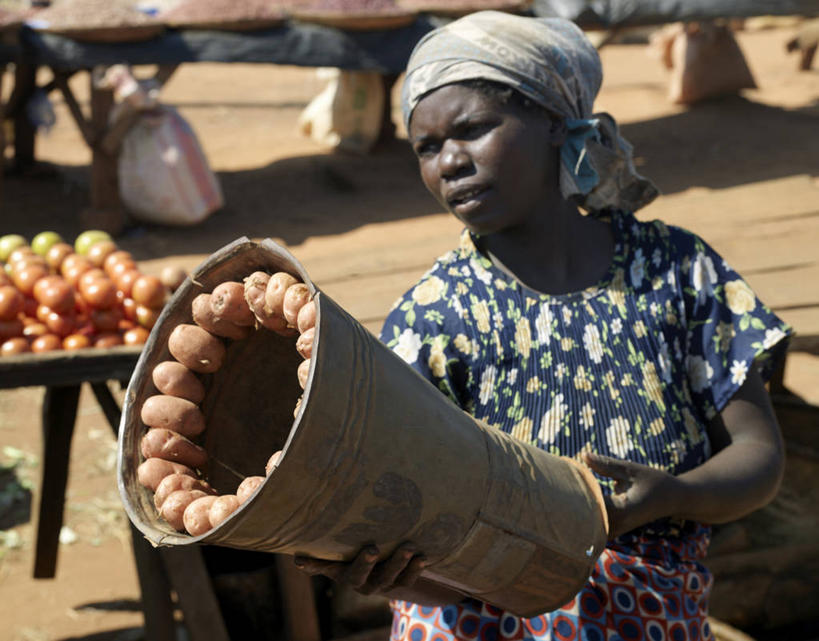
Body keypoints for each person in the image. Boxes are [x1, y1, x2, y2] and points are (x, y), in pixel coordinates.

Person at [295, 11, 791, 641]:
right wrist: (388, 572)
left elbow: (759, 457)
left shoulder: (677, 272)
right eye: (426, 147)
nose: (449, 161)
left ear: (556, 121)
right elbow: (412, 531)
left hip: (649, 620)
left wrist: (673, 496)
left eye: (472, 130)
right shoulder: (433, 316)